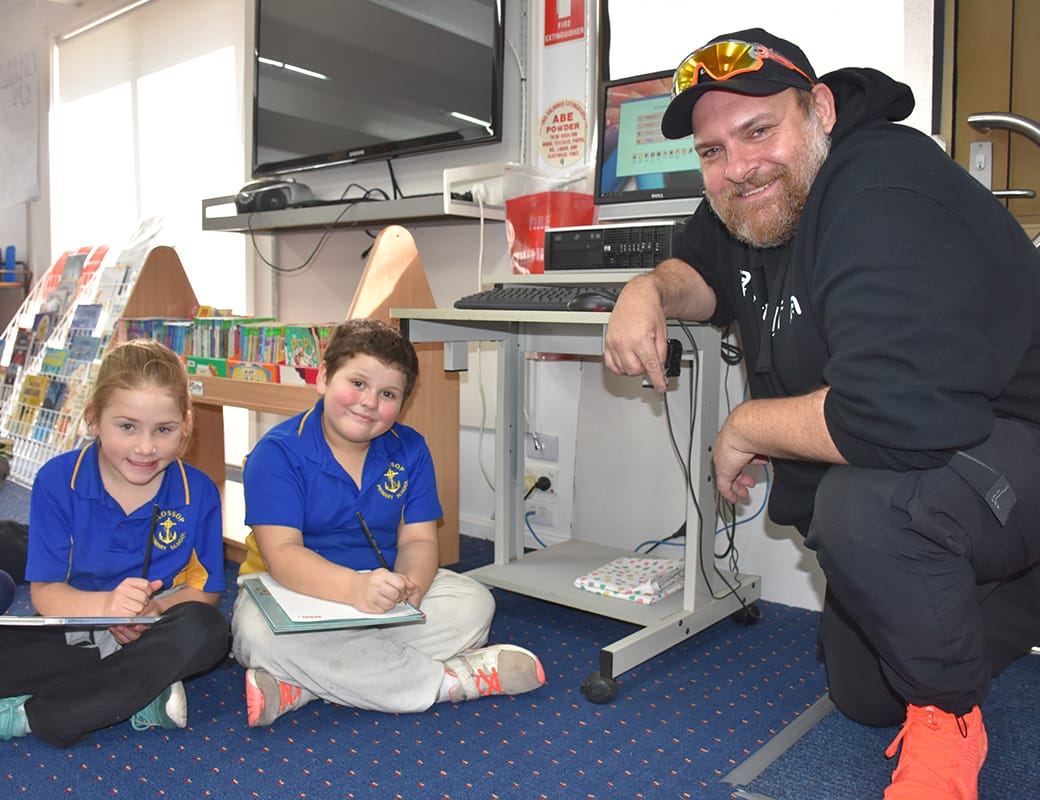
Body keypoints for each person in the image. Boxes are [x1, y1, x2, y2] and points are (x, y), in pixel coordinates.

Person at [603, 28, 1040, 800]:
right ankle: (996, 605)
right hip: (955, 471)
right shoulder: (752, 203)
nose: (737, 167)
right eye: (712, 151)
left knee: (870, 514)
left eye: (759, 130)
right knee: (863, 694)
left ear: (822, 110)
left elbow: (889, 416)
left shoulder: (882, 182)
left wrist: (744, 428)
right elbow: (698, 269)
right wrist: (646, 292)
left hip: (1015, 444)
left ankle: (949, 726)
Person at [232, 318, 545, 727]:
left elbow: (418, 540)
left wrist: (411, 591)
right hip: (291, 591)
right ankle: (451, 682)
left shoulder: (410, 448)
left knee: (474, 604)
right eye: (357, 383)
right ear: (324, 376)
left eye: (387, 393)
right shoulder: (276, 453)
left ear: (403, 402)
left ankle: (304, 684)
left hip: (381, 588)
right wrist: (354, 588)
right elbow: (283, 556)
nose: (368, 402)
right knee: (257, 636)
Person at [0, 339, 229, 748]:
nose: (146, 447)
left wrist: (155, 609)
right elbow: (47, 594)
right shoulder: (57, 480)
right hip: (74, 625)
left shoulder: (199, 493)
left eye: (164, 430)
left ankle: (33, 716)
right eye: (127, 427)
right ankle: (140, 692)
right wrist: (106, 608)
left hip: (157, 631)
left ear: (186, 424)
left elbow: (206, 590)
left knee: (208, 631)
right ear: (94, 420)